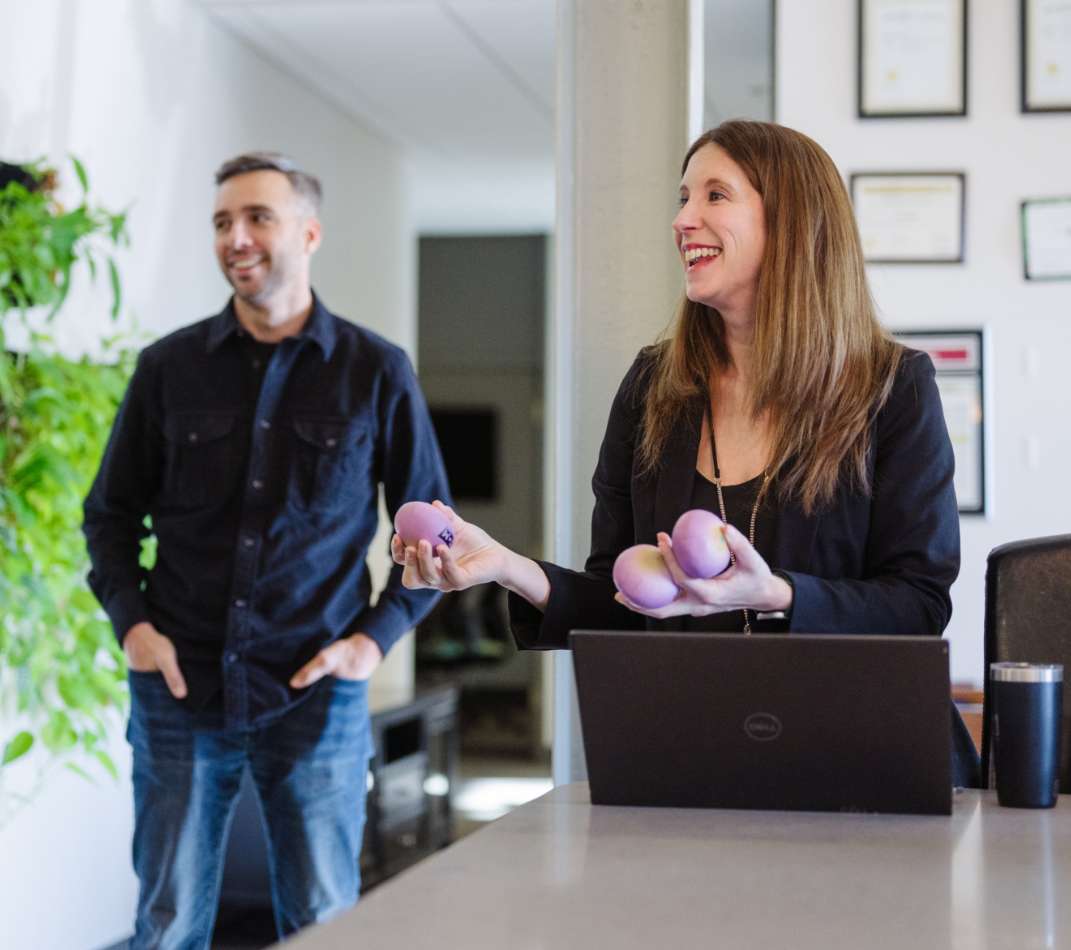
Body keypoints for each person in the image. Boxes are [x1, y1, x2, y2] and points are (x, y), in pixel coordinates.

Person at [394, 120, 979, 787]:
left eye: (714, 195)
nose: (681, 220)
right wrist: (505, 567)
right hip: (701, 754)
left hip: (859, 760)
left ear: (792, 222)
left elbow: (917, 605)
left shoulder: (893, 388)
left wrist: (777, 594)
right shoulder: (653, 387)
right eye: (683, 198)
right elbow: (622, 601)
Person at [82, 152, 450, 947]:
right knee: (166, 923)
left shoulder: (375, 371)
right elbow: (109, 516)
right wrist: (133, 629)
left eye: (257, 218)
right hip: (179, 685)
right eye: (222, 222)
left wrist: (371, 642)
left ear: (309, 234)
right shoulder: (167, 369)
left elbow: (435, 535)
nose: (236, 237)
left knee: (323, 919)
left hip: (317, 688)